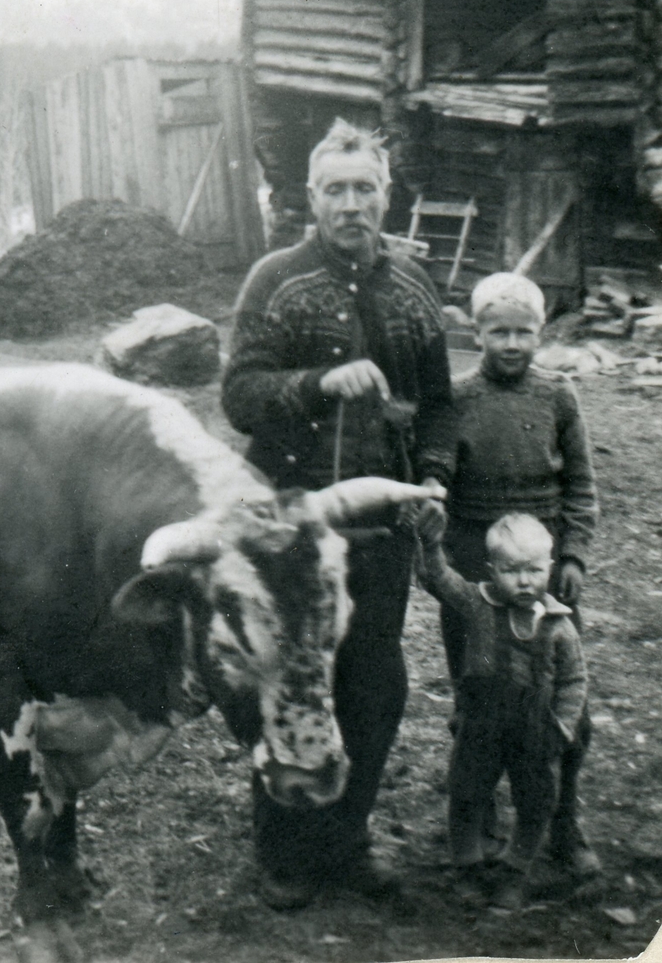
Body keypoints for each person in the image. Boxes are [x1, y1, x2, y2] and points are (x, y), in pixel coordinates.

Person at [222, 118, 454, 907]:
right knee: (289, 686)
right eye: (335, 191)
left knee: (374, 685)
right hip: (291, 524)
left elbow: (440, 407)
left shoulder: (418, 285)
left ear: (388, 195)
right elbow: (239, 397)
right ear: (310, 198)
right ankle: (282, 852)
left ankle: (347, 840)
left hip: (380, 524)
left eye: (365, 189)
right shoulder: (274, 279)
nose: (351, 205)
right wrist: (317, 385)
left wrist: (430, 477)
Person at [442, 272, 600, 879]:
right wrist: (456, 574)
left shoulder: (559, 396)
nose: (511, 343)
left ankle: (563, 821)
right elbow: (441, 487)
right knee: (475, 694)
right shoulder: (456, 399)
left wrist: (574, 557)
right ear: (476, 331)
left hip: (547, 578)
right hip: (478, 580)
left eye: (524, 331)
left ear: (541, 333)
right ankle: (475, 809)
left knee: (559, 697)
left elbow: (581, 487)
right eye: (497, 331)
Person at [415, 507, 588, 910]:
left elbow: (574, 681)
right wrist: (431, 545)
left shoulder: (559, 626)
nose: (524, 581)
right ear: (492, 569)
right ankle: (467, 868)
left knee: (536, 799)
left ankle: (515, 870)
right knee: (466, 792)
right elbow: (441, 581)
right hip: (482, 722)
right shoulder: (478, 605)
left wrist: (561, 728)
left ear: (548, 566)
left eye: (533, 570)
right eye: (511, 570)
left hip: (535, 728)